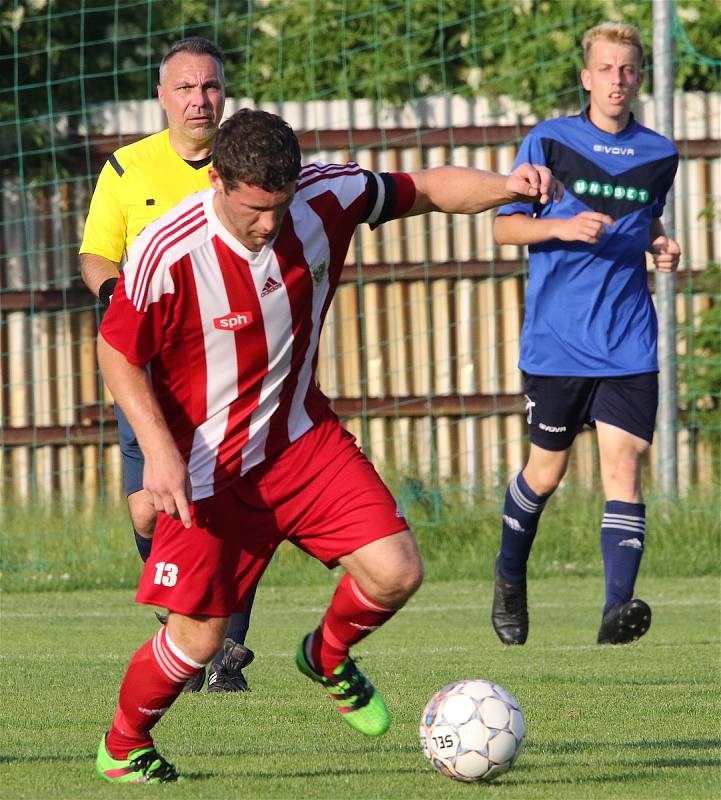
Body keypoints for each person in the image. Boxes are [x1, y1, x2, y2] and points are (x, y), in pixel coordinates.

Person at [93, 106, 561, 783]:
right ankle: (123, 745)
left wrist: (506, 185)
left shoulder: (324, 196)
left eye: (278, 208)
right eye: (255, 209)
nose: (268, 224)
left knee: (397, 571)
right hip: (206, 465)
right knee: (200, 637)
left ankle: (327, 655)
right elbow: (115, 350)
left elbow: (426, 188)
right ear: (217, 181)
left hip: (298, 442)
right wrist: (159, 454)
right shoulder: (167, 250)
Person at [490, 22, 681, 648]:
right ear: (586, 77)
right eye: (606, 69)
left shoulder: (660, 153)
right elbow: (506, 230)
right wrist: (562, 230)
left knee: (623, 468)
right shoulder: (548, 142)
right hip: (557, 342)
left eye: (627, 70)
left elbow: (643, 215)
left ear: (639, 78)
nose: (617, 80)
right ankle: (509, 575)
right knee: (545, 473)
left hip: (629, 341)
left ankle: (615, 615)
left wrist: (659, 243)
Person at [79, 37, 256, 692]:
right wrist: (115, 295)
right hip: (151, 366)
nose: (198, 99)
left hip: (236, 367)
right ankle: (183, 625)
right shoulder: (127, 170)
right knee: (149, 511)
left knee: (233, 508)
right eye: (184, 87)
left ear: (224, 94)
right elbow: (96, 254)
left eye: (208, 86)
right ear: (162, 97)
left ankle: (225, 650)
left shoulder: (248, 161)